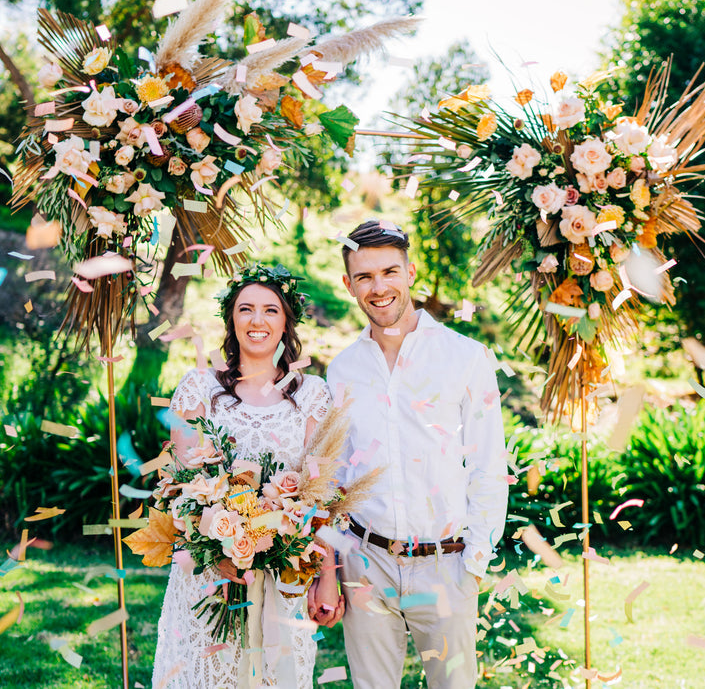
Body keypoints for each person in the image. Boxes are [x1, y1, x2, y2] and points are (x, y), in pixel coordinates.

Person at [324, 220, 509, 688]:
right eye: (364, 277)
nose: (378, 287)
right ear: (348, 285)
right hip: (366, 562)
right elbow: (335, 477)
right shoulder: (342, 369)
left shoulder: (465, 357)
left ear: (410, 272)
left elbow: (488, 465)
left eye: (389, 271)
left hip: (447, 564)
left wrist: (475, 562)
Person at [152, 262, 344, 689]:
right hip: (206, 580)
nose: (258, 321)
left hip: (283, 581)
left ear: (286, 322)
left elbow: (322, 497)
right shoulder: (198, 389)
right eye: (246, 309)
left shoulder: (312, 395)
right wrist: (218, 552)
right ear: (230, 319)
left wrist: (328, 577)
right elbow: (180, 491)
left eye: (271, 310)